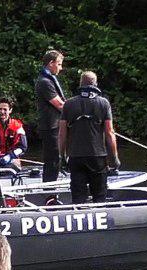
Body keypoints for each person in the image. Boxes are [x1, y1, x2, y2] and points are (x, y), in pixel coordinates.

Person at [58, 71, 119, 204]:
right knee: (99, 196)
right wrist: (114, 158)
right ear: (95, 84)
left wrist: (62, 157)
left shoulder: (68, 104)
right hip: (98, 157)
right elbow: (110, 133)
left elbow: (62, 134)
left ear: (81, 84)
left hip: (75, 157)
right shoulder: (104, 103)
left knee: (78, 198)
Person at [34, 50, 67, 183]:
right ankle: (49, 187)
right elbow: (59, 104)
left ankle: (54, 180)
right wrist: (78, 110)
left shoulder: (49, 79)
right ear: (51, 63)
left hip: (56, 125)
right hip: (50, 126)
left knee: (57, 157)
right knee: (52, 159)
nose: (61, 67)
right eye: (59, 64)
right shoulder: (44, 82)